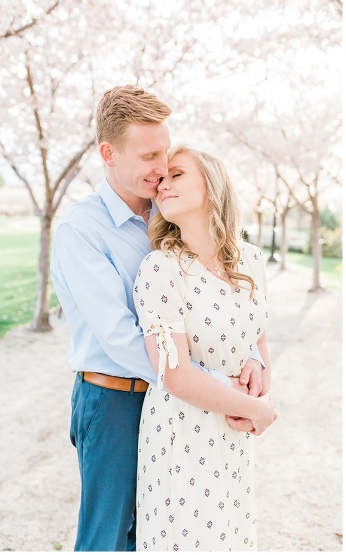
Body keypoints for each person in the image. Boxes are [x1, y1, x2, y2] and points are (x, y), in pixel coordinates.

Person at [50, 85, 271, 551]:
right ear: (108, 153)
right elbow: (120, 337)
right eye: (149, 156)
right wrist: (214, 387)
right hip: (114, 398)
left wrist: (249, 357)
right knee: (109, 538)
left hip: (184, 398)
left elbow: (219, 295)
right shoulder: (80, 230)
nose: (160, 169)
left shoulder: (172, 212)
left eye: (165, 154)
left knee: (174, 530)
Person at [133, 145, 274, 551]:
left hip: (233, 430)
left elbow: (260, 338)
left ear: (211, 188)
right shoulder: (160, 267)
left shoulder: (252, 259)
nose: (162, 183)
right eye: (162, 179)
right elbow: (173, 375)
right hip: (181, 431)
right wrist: (258, 410)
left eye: (177, 174)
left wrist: (260, 383)